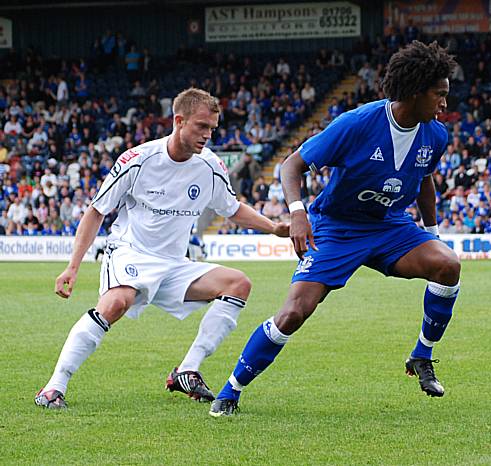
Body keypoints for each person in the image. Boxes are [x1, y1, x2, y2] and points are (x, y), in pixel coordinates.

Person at [210, 41, 460, 417]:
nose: (445, 103)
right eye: (439, 94)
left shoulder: (435, 135)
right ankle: (231, 390)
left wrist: (433, 231)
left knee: (448, 264)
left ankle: (421, 356)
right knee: (294, 312)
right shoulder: (358, 123)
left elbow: (425, 180)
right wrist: (298, 212)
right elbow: (291, 165)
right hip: (337, 228)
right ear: (414, 90)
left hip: (390, 226)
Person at [35, 88, 289, 409]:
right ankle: (53, 387)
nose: (208, 135)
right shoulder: (138, 160)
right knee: (116, 302)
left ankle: (187, 369)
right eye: (201, 127)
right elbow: (96, 211)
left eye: (212, 128)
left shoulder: (209, 165)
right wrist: (72, 267)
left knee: (238, 283)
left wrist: (274, 228)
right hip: (131, 252)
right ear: (178, 121)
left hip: (173, 264)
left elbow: (232, 208)